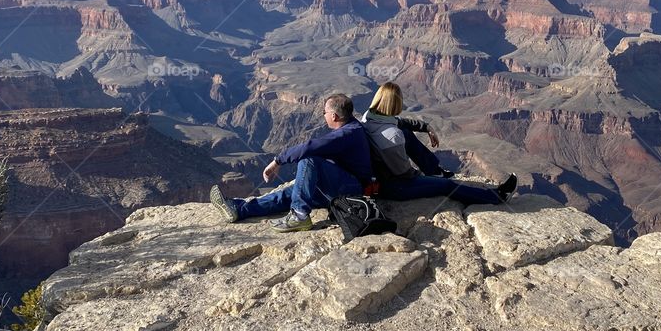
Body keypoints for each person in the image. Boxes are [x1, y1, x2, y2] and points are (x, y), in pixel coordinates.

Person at [210, 93, 372, 232]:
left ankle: (300, 215)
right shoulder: (351, 129)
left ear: (334, 116)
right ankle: (239, 209)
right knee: (288, 195)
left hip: (351, 188)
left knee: (308, 159)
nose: (323, 115)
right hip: (338, 184)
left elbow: (310, 147)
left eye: (324, 112)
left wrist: (277, 161)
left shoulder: (347, 134)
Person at [361, 82, 518, 205]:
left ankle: (434, 171)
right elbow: (404, 173)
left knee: (406, 132)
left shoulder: (369, 116)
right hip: (394, 187)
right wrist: (421, 176)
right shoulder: (393, 136)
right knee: (446, 186)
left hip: (381, 177)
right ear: (396, 104)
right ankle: (497, 196)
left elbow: (398, 121)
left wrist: (425, 127)